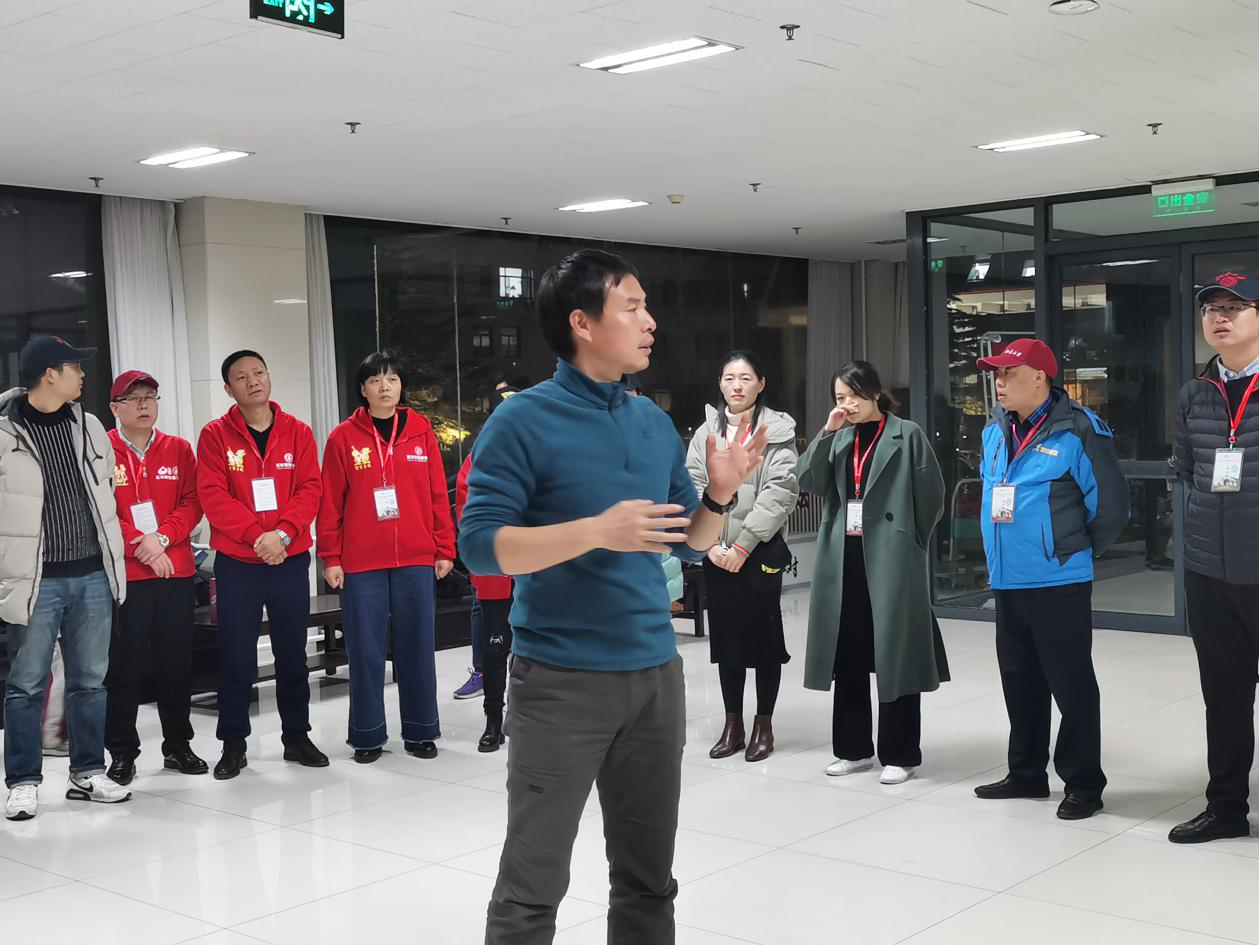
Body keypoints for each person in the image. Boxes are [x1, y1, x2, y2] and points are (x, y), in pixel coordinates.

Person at [460, 248, 768, 944]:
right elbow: (478, 545)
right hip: (558, 681)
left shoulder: (649, 422)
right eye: (631, 307)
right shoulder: (520, 420)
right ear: (582, 322)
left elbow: (689, 541)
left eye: (646, 306)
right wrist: (594, 531)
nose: (650, 321)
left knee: (648, 879)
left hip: (654, 676)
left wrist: (719, 495)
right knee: (532, 887)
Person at [973, 338, 1128, 821]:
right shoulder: (994, 430)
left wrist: (1071, 549)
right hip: (1008, 578)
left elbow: (1111, 507)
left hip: (1058, 579)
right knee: (1019, 680)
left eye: (1008, 374)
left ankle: (1083, 784)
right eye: (996, 375)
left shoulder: (1078, 430)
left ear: (1039, 377)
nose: (999, 383)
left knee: (1071, 684)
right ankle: (1026, 774)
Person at [797, 362, 948, 785]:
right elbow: (807, 479)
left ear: (875, 393)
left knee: (896, 654)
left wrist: (908, 540)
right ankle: (853, 750)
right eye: (840, 397)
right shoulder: (840, 437)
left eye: (853, 395)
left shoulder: (907, 434)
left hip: (891, 558)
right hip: (842, 557)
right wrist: (827, 432)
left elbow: (932, 496)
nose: (847, 404)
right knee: (847, 653)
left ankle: (900, 753)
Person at [2, 336, 130, 821]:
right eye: (75, 367)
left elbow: (106, 490)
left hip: (92, 574)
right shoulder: (4, 432)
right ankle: (22, 781)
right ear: (49, 374)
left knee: (90, 682)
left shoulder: (90, 426)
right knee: (26, 685)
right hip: (35, 581)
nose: (83, 375)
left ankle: (88, 771)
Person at [317, 352, 455, 762]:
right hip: (362, 562)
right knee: (366, 650)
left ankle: (421, 730)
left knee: (417, 647)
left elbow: (437, 494)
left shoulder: (421, 431)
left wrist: (444, 547)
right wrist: (331, 556)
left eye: (392, 379)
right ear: (363, 389)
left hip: (416, 556)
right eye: (375, 380)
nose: (384, 387)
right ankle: (367, 735)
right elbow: (331, 503)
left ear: (401, 386)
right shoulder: (343, 437)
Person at [197, 349, 327, 780]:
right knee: (236, 656)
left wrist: (283, 535)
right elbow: (213, 495)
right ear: (228, 388)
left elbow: (310, 488)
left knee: (293, 653)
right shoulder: (215, 436)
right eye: (241, 376)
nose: (253, 381)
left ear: (269, 378)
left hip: (288, 559)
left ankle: (297, 737)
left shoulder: (298, 431)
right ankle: (233, 744)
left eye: (259, 372)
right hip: (239, 563)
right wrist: (258, 536)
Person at [1169, 275, 1259, 844]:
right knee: (1224, 700)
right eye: (1210, 310)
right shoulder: (1193, 395)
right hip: (1210, 572)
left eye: (1234, 307)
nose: (1219, 317)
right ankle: (1226, 809)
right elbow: (1186, 470)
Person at [686, 350, 799, 763]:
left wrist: (743, 544)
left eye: (746, 378)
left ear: (761, 384)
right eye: (729, 378)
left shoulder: (777, 431)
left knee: (765, 640)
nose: (736, 385)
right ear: (720, 384)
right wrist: (710, 545)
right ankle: (732, 722)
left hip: (759, 550)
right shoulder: (706, 432)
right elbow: (692, 485)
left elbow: (780, 491)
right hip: (716, 553)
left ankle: (763, 724)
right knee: (726, 639)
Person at [104, 370, 207, 784]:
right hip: (128, 576)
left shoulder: (178, 449)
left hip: (175, 571)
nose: (144, 404)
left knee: (175, 665)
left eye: (150, 396)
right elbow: (101, 510)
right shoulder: (102, 450)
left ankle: (178, 746)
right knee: (124, 668)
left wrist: (161, 539)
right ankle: (122, 753)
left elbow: (193, 501)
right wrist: (140, 545)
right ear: (115, 408)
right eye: (134, 398)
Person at [454, 384, 520, 753]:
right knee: (495, 648)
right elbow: (469, 512)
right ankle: (493, 719)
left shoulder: (541, 450)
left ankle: (529, 718)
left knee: (536, 650)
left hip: (537, 570)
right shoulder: (478, 457)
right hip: (496, 569)